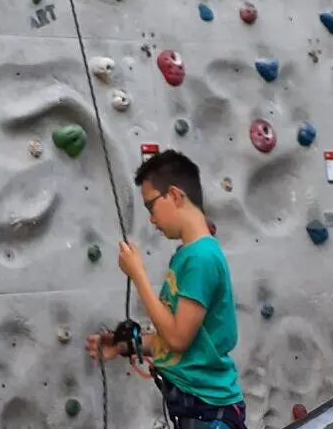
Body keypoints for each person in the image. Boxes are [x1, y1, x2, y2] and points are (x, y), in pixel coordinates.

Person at [86, 149, 245, 429]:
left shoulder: (202, 257)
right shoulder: (186, 256)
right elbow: (176, 341)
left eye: (151, 206)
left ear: (174, 195)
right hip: (195, 410)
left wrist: (138, 275)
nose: (151, 219)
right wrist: (123, 346)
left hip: (208, 411)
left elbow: (178, 338)